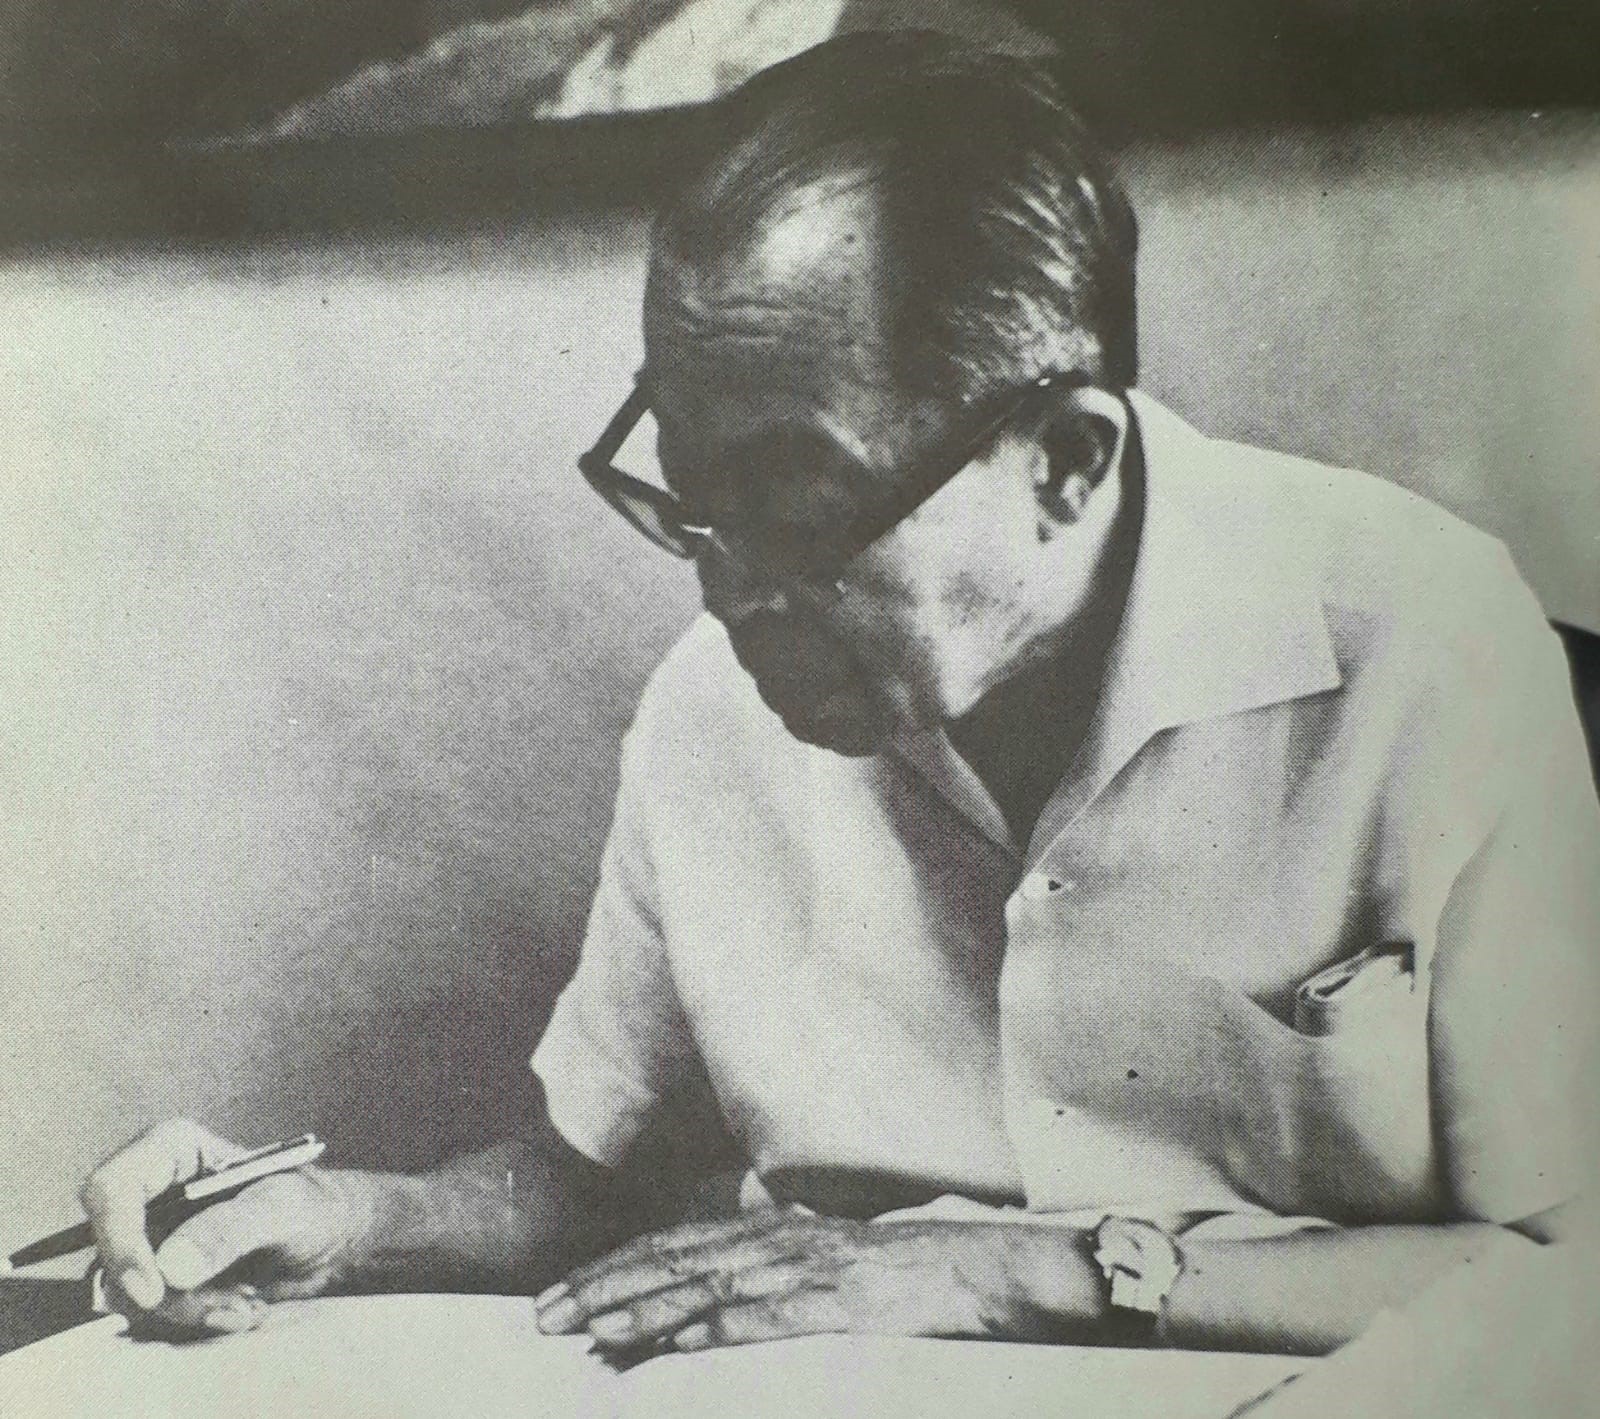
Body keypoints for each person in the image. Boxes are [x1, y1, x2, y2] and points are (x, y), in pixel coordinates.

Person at [78, 32, 1598, 1356]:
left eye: (800, 509)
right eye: (691, 505)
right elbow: (585, 1176)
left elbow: (1564, 1272)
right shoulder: (709, 711)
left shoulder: (1419, 649)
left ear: (1067, 461)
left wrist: (1021, 1274)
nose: (729, 594)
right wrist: (340, 1219)